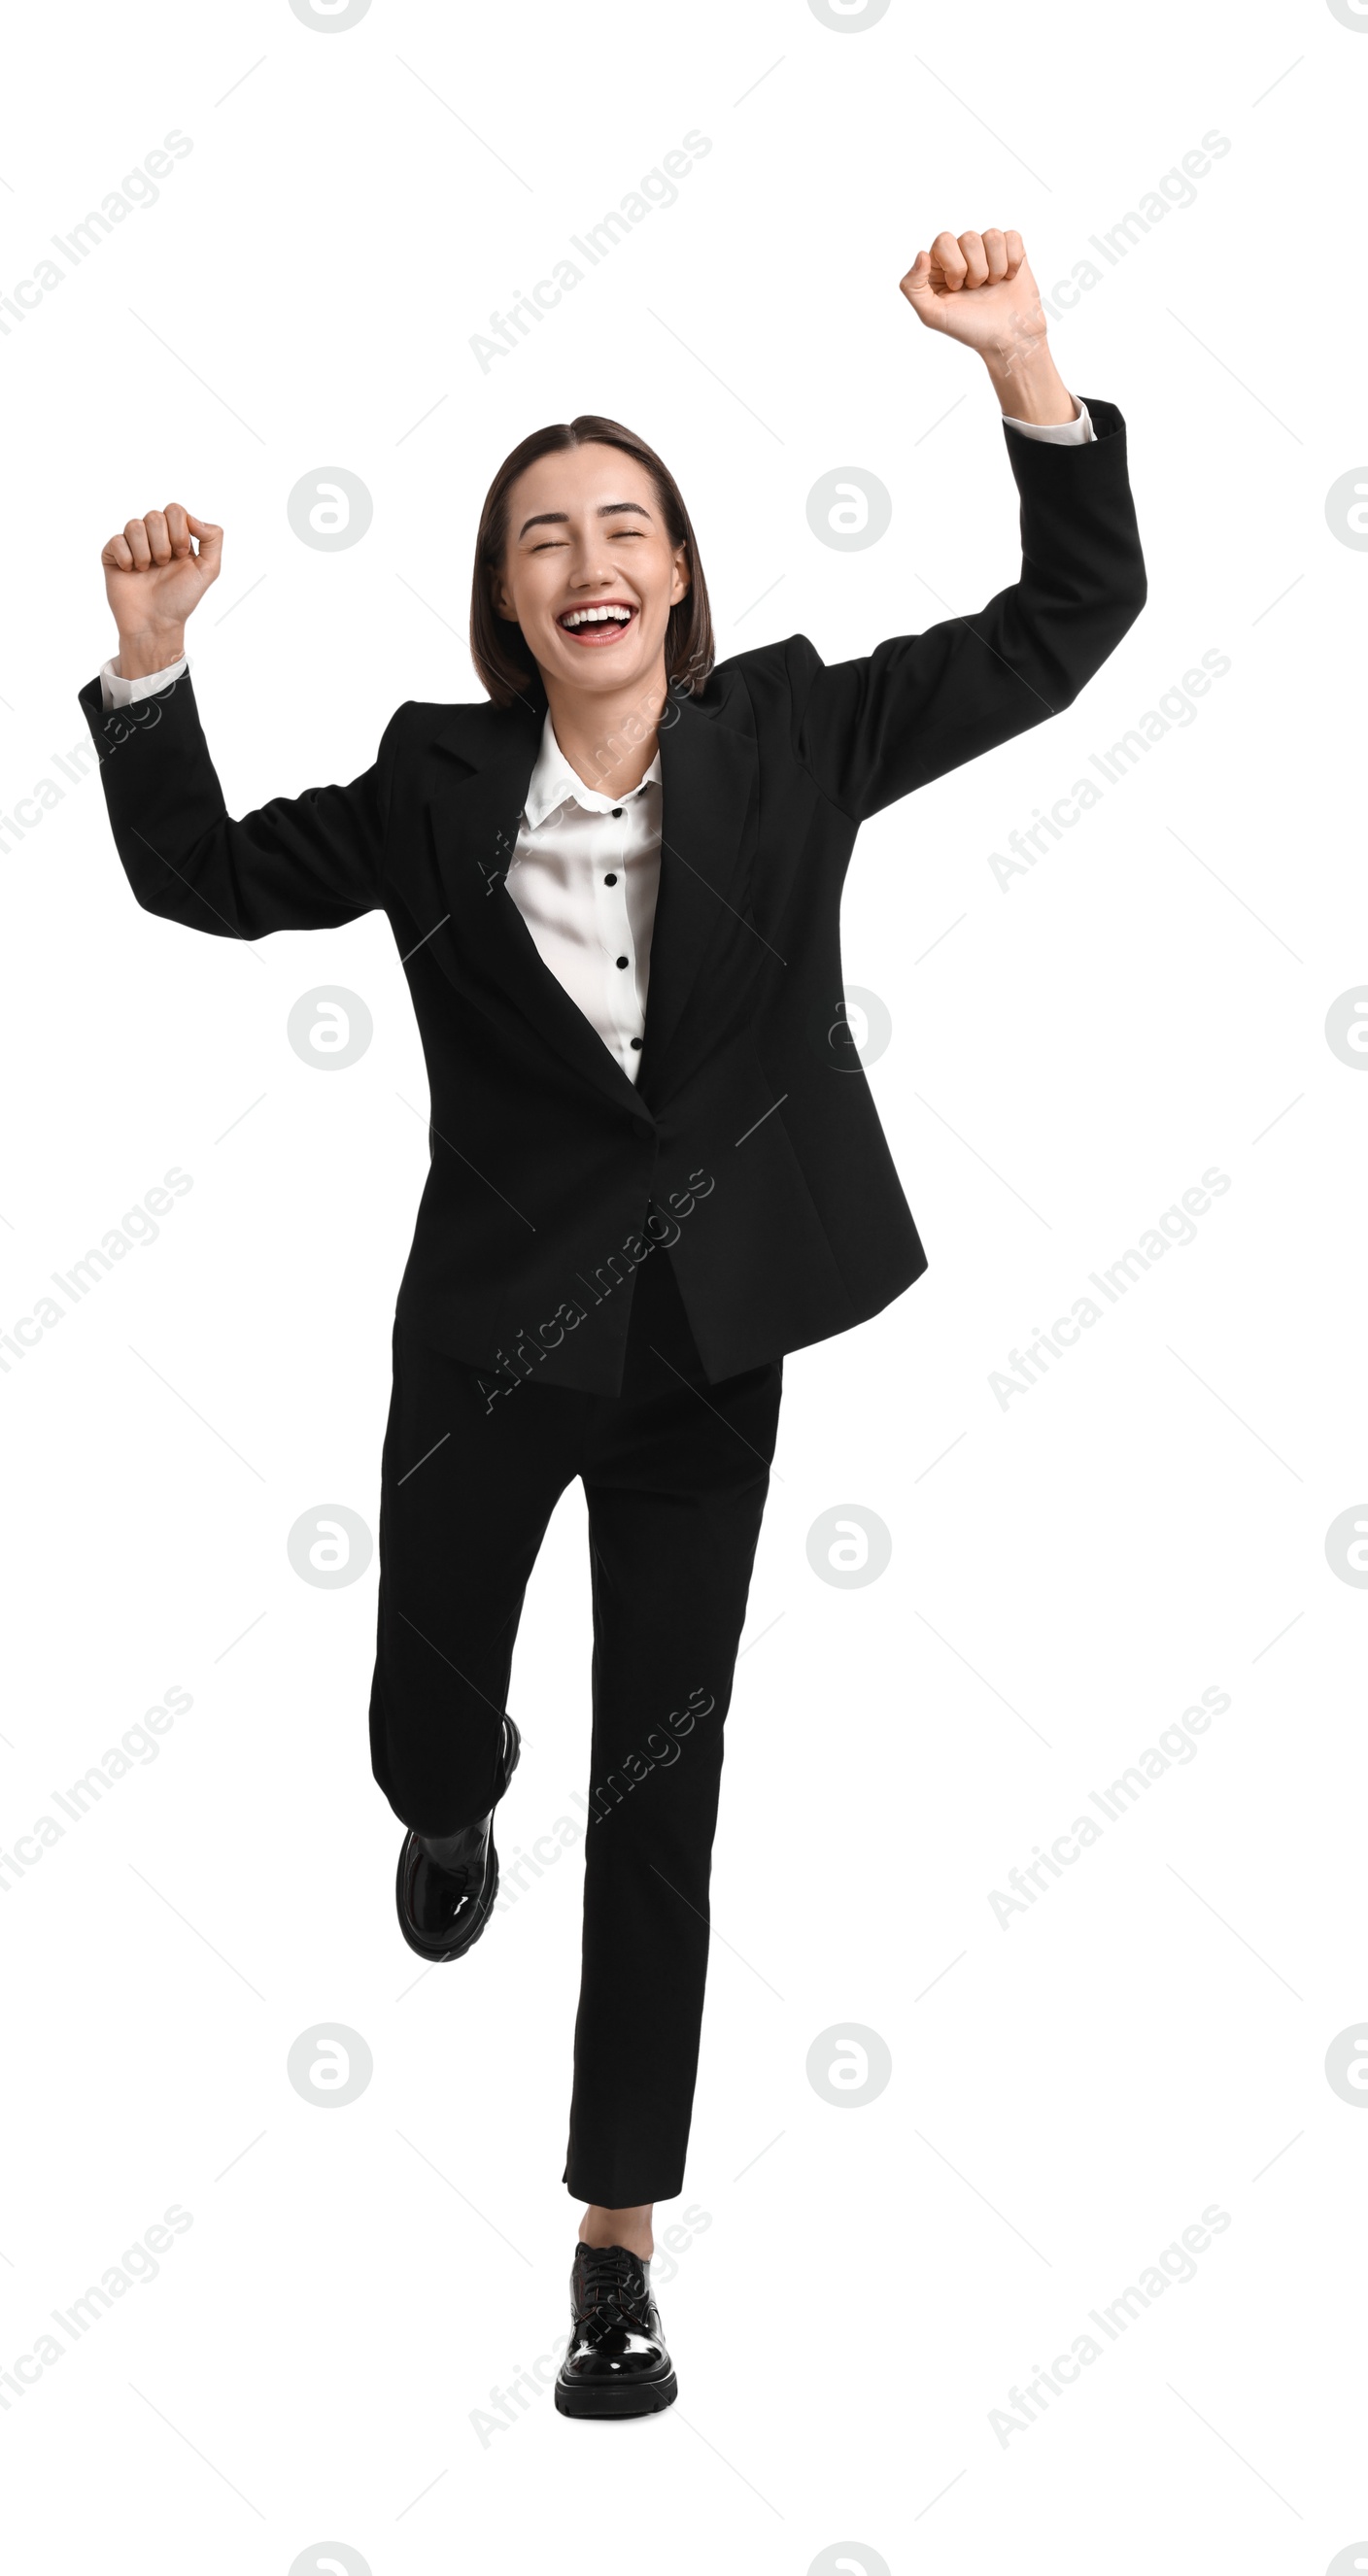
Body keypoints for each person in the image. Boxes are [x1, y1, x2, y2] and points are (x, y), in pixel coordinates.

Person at [81, 228, 1146, 2419]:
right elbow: (201, 882)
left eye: (625, 527)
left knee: (666, 1796)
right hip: (481, 1357)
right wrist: (153, 662)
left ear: (674, 577)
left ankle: (613, 2247)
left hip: (702, 1363)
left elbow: (1063, 626)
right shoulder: (429, 788)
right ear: (507, 606)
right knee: (418, 1719)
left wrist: (1021, 367)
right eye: (543, 536)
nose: (589, 558)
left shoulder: (797, 738)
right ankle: (449, 1800)